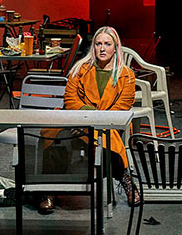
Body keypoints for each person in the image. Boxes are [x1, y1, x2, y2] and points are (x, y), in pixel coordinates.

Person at [38, 25, 139, 215]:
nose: (102, 48)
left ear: (116, 47)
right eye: (98, 44)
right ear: (93, 47)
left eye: (107, 44)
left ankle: (125, 180)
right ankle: (48, 190)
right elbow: (70, 99)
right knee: (53, 134)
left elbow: (122, 107)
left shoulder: (127, 75)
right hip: (76, 121)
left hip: (108, 125)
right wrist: (86, 116)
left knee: (110, 140)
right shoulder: (80, 69)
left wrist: (92, 121)